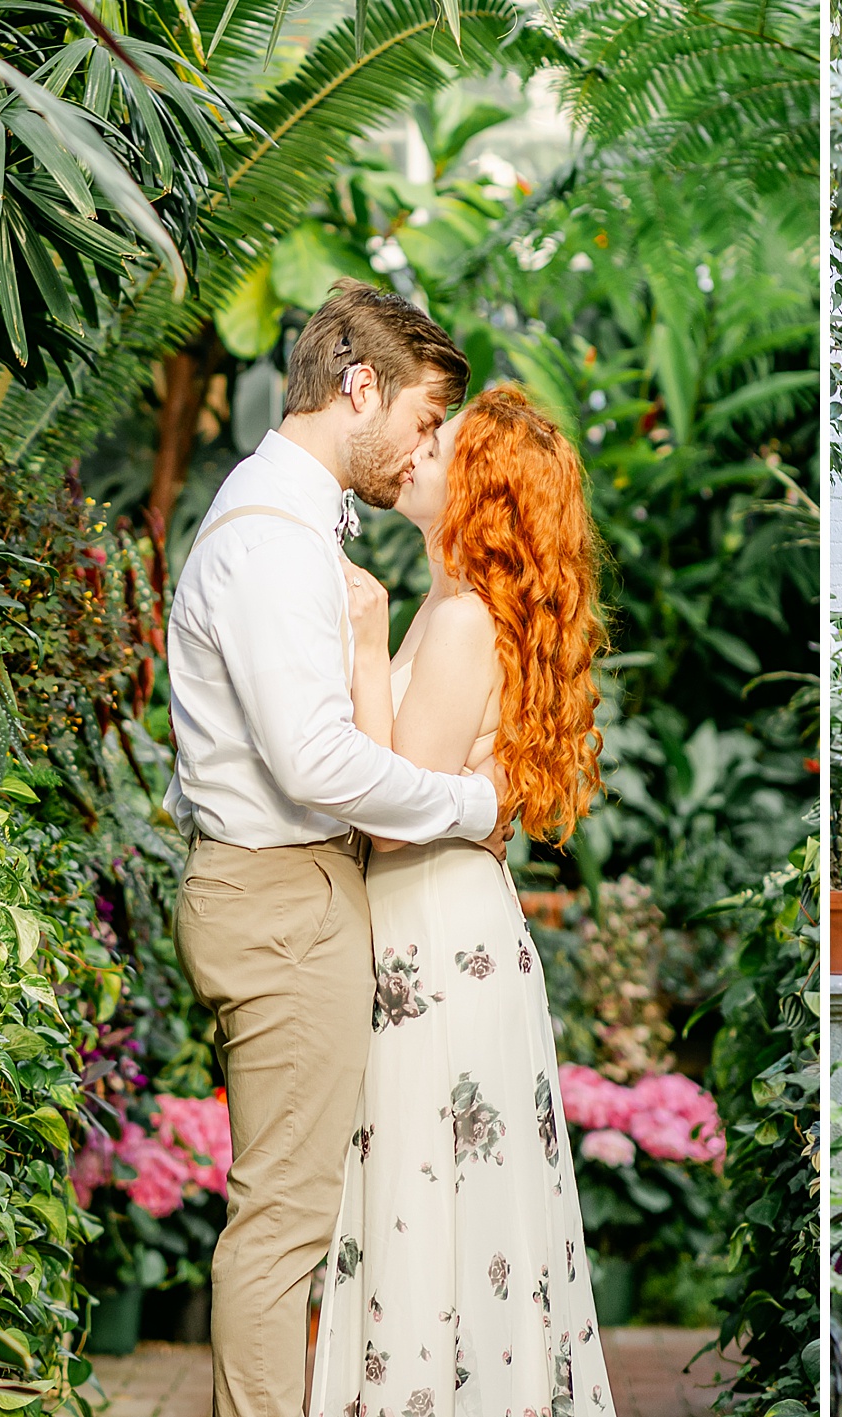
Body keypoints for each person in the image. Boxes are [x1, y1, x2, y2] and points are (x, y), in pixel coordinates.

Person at [166, 280, 507, 1417]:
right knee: (285, 1226)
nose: (420, 449)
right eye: (419, 420)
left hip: (287, 892)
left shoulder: (292, 519)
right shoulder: (270, 537)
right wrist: (469, 807)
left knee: (292, 1215)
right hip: (280, 897)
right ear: (359, 386)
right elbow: (314, 763)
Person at [308, 385, 615, 1417]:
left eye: (441, 443)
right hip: (456, 931)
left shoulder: (458, 622)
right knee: (458, 1216)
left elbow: (392, 813)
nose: (417, 449)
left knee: (423, 1208)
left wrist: (363, 642)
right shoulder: (478, 614)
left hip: (433, 943)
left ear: (478, 490)